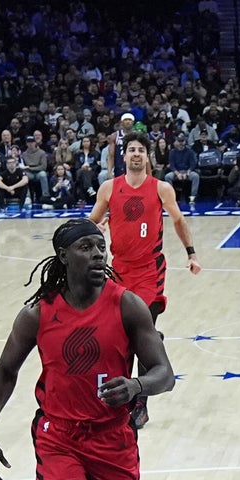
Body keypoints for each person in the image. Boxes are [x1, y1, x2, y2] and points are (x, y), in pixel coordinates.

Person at [0, 219, 174, 480]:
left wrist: (136, 385)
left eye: (101, 247)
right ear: (63, 255)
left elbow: (165, 374)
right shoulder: (37, 313)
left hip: (113, 437)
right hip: (59, 435)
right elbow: (5, 371)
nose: (98, 253)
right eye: (86, 247)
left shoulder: (128, 306)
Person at [87, 132, 201, 428]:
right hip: (119, 271)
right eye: (131, 150)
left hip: (150, 271)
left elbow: (178, 220)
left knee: (140, 334)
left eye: (141, 150)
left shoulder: (161, 188)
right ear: (123, 157)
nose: (136, 154)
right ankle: (117, 392)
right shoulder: (109, 188)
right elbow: (90, 223)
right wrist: (91, 234)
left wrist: (191, 253)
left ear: (147, 157)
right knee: (116, 335)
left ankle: (140, 403)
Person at [106, 113, 137, 178]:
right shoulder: (114, 136)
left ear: (133, 122)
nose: (128, 122)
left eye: (129, 120)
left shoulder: (138, 136)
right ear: (121, 122)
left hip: (134, 165)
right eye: (125, 120)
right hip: (119, 166)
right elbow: (111, 156)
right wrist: (109, 171)